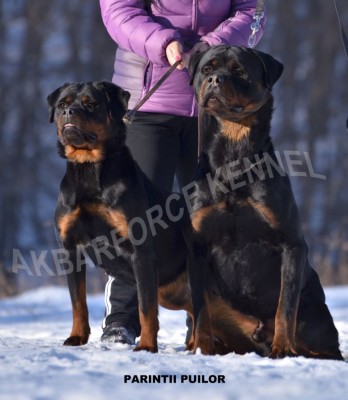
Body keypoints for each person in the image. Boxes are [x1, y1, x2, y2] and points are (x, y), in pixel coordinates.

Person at [99, 0, 266, 344]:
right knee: (138, 219)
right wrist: (164, 43)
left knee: (215, 220)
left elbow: (254, 12)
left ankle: (210, 325)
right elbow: (118, 11)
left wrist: (214, 46)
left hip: (216, 104)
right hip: (150, 101)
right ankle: (122, 320)